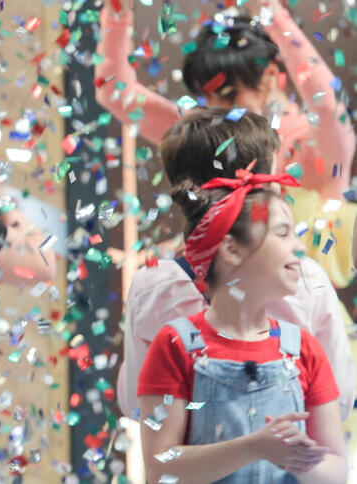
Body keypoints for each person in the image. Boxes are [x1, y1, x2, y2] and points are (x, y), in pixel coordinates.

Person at [96, 0, 357, 286]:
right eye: (209, 97)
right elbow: (114, 92)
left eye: (230, 94)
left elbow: (328, 105)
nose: (218, 107)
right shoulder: (208, 136)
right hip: (225, 318)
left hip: (310, 315)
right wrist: (118, 13)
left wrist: (271, 13)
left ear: (269, 75)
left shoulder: (314, 140)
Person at [119, 107, 355, 422]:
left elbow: (136, 402)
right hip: (292, 460)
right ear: (267, 186)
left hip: (191, 466)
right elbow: (339, 399)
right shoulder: (305, 278)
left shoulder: (154, 285)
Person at [138, 172, 347, 483]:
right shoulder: (175, 345)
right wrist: (254, 447)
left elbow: (337, 470)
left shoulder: (304, 349)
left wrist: (299, 460)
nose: (298, 247)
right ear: (232, 250)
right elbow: (160, 471)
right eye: (283, 233)